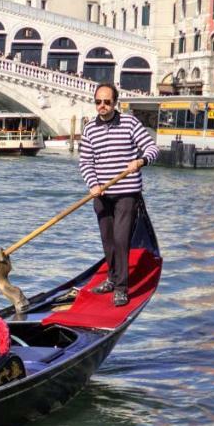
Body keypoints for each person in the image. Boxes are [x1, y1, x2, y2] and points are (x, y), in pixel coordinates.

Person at [78, 82, 158, 307]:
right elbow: (85, 161)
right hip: (101, 193)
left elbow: (153, 149)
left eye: (107, 102)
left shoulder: (130, 123)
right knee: (108, 241)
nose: (102, 106)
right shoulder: (89, 128)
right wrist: (93, 185)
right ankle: (112, 278)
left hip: (126, 193)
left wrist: (140, 161)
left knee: (122, 240)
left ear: (115, 103)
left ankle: (122, 288)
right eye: (98, 102)